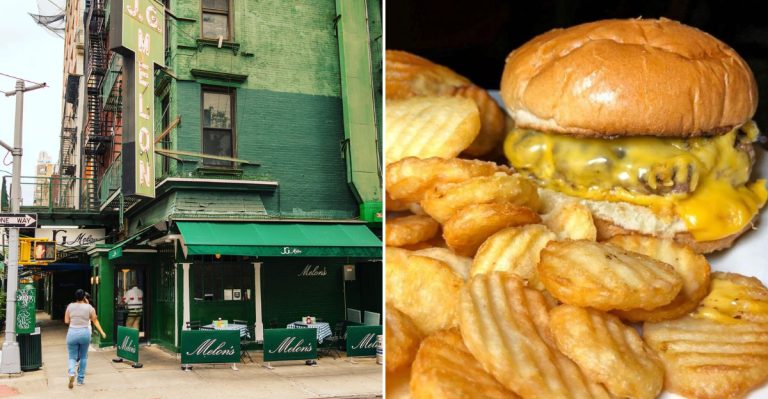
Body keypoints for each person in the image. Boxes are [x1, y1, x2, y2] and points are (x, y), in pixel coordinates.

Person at [64, 289, 106, 389]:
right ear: (84, 297)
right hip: (84, 333)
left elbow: (66, 321)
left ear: (75, 296)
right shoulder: (89, 308)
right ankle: (80, 380)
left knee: (72, 357)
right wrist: (102, 332)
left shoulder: (70, 306)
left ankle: (71, 372)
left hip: (72, 332)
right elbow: (95, 320)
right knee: (83, 357)